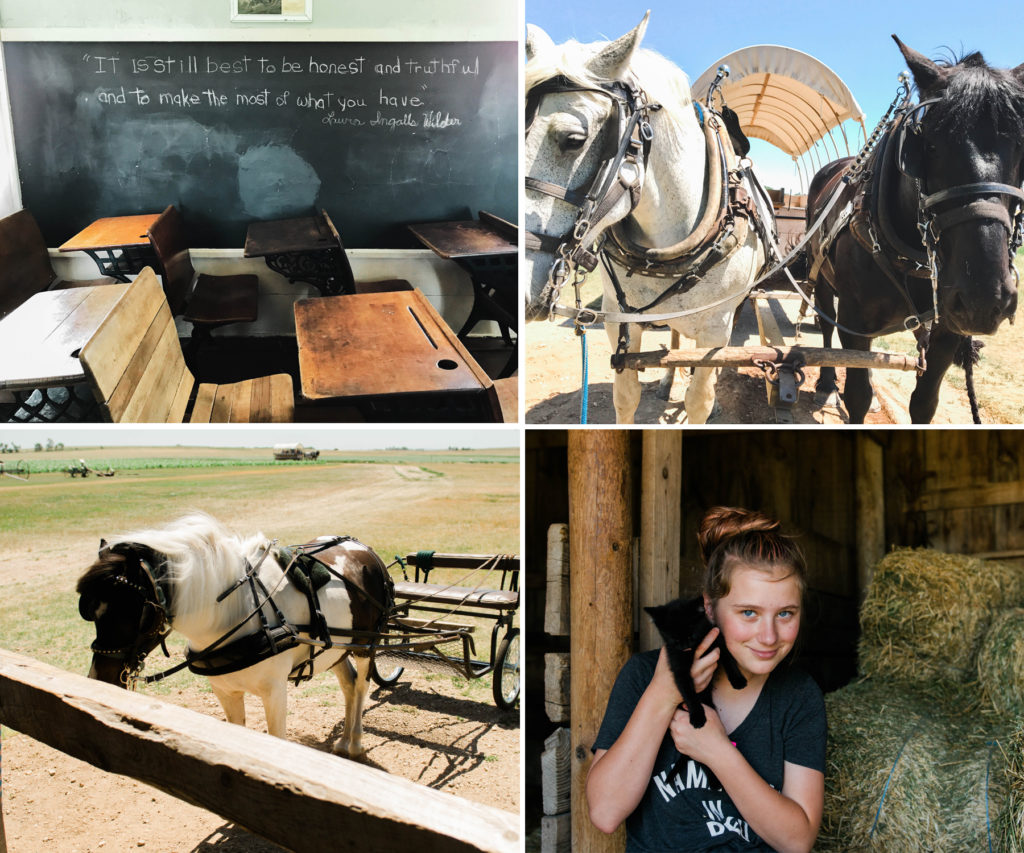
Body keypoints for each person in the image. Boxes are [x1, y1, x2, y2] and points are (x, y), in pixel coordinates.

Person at [587, 506, 826, 852]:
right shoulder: (642, 677)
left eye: (785, 614)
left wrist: (717, 752)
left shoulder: (798, 697)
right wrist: (663, 694)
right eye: (749, 613)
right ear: (710, 609)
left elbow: (798, 841)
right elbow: (606, 813)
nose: (769, 636)